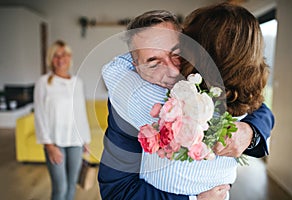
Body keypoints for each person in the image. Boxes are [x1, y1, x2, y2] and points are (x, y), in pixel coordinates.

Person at [99, 7, 274, 200]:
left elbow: (261, 110)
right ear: (135, 68)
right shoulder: (128, 100)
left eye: (176, 53)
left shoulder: (213, 84)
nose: (173, 71)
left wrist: (250, 133)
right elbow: (117, 190)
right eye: (153, 62)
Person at [34, 40, 91, 200]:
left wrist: (85, 139)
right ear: (51, 59)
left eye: (64, 54)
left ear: (69, 57)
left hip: (75, 142)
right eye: (56, 56)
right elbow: (39, 114)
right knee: (61, 188)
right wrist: (49, 145)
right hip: (55, 142)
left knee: (72, 184)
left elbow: (80, 113)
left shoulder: (77, 83)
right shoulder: (43, 83)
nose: (60, 59)